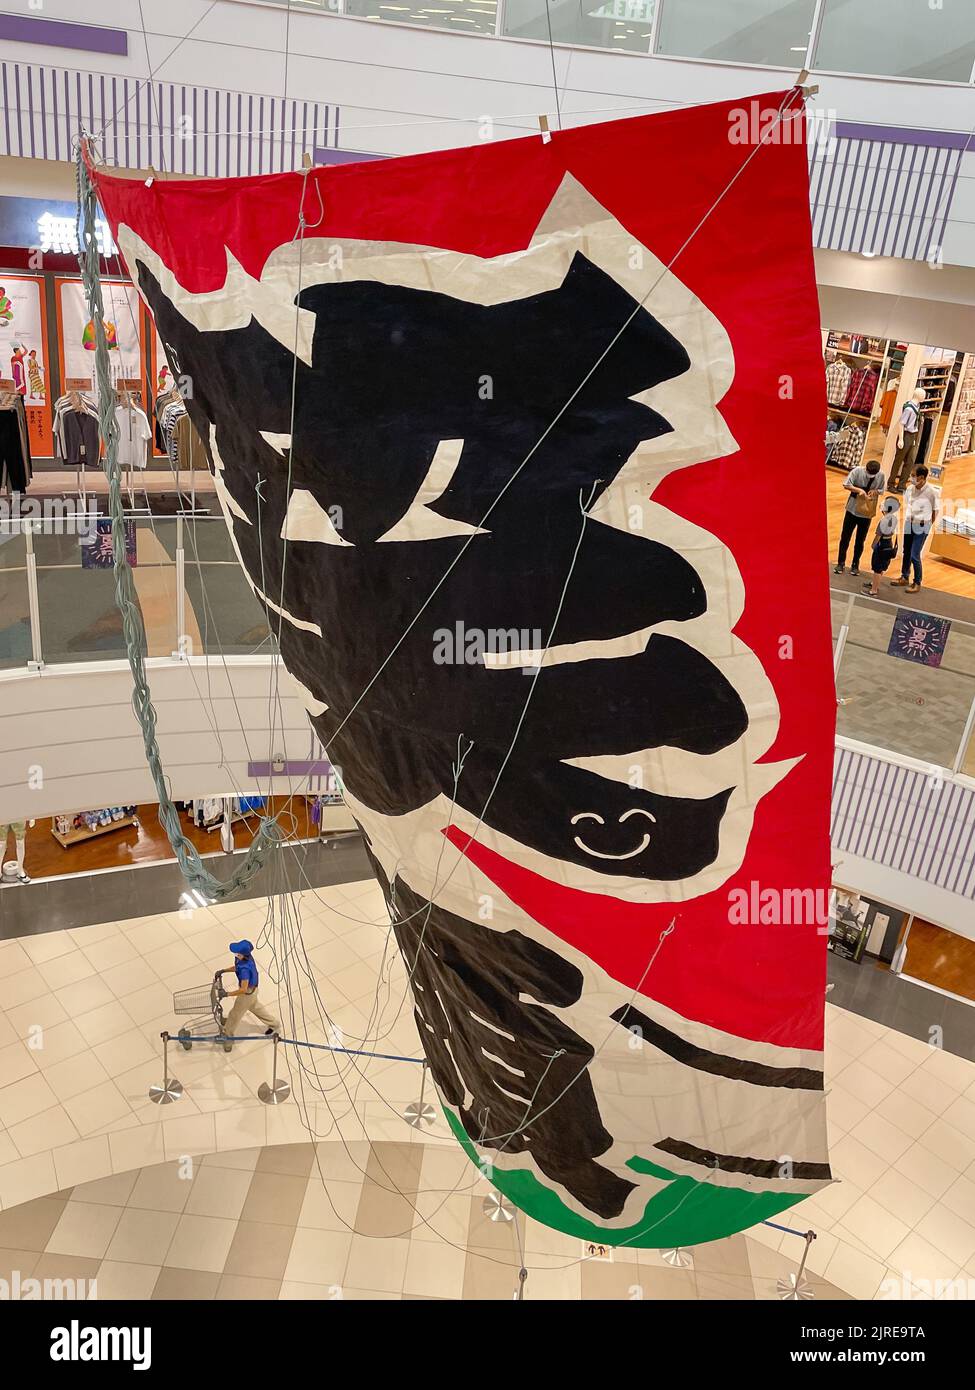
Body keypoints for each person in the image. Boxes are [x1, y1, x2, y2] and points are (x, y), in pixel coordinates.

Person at [221, 939, 281, 1049]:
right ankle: (275, 1024)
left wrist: (228, 994)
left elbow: (243, 989)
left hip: (247, 994)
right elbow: (236, 967)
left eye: (236, 952)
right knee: (256, 1008)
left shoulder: (245, 969)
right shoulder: (243, 958)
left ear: (241, 954)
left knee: (235, 1014)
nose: (234, 954)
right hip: (252, 992)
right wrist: (224, 970)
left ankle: (228, 1037)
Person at [890, 465, 939, 594]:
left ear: (921, 478)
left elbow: (935, 511)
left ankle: (917, 582)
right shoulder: (910, 489)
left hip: (922, 526)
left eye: (913, 475)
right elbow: (908, 504)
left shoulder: (932, 492)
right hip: (909, 523)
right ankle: (904, 576)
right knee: (906, 551)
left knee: (914, 555)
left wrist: (928, 524)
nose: (911, 478)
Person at [834, 457, 885, 577]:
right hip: (852, 509)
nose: (870, 476)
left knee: (860, 540)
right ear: (865, 468)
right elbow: (846, 484)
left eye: (873, 474)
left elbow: (882, 490)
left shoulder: (881, 475)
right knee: (845, 537)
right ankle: (841, 562)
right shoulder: (857, 471)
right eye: (868, 473)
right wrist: (858, 490)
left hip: (866, 513)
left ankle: (855, 564)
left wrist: (875, 492)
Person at [862, 496, 899, 597]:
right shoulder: (894, 518)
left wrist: (873, 544)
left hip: (882, 544)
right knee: (882, 566)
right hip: (889, 543)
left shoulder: (884, 520)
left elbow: (879, 535)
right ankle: (875, 584)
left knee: (877, 567)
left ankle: (873, 590)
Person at [888, 389, 925, 492]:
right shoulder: (909, 408)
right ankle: (891, 484)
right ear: (918, 396)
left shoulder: (917, 407)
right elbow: (901, 423)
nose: (924, 397)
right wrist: (901, 439)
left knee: (910, 461)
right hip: (906, 435)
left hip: (913, 435)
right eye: (923, 395)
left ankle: (902, 485)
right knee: (898, 460)